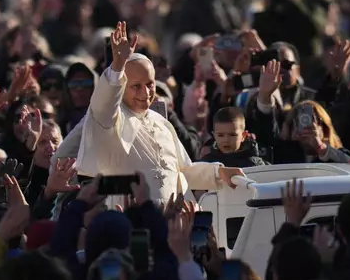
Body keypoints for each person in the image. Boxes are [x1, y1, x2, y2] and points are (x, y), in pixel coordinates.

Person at [76, 22, 245, 206]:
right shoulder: (112, 119)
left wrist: (218, 173)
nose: (146, 92)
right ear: (122, 87)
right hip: (133, 223)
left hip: (172, 222)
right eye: (136, 86)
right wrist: (117, 67)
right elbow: (104, 104)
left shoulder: (161, 123)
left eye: (149, 84)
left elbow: (181, 171)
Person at [201, 106, 266, 167]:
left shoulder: (254, 165)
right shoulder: (207, 165)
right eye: (220, 135)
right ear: (214, 136)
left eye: (232, 135)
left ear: (243, 136)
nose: (226, 140)